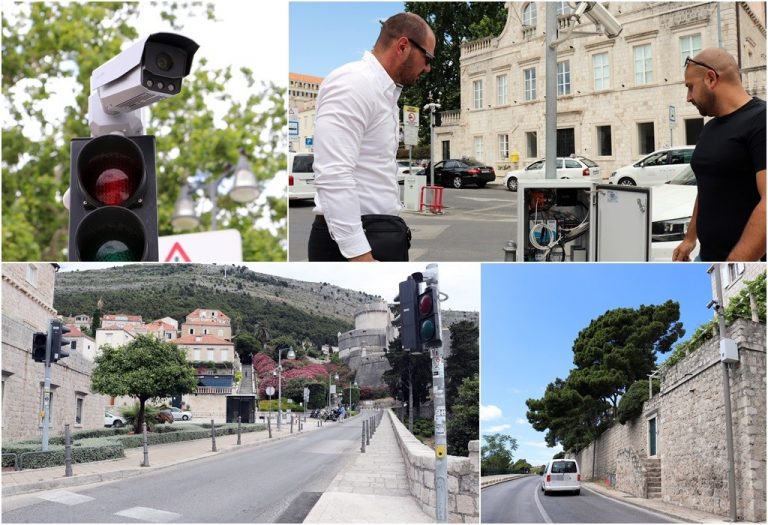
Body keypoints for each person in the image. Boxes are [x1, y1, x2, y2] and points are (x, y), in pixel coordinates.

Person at [308, 13, 436, 261]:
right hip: (355, 242)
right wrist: (360, 256)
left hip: (377, 233)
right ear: (403, 46)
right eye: (427, 58)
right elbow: (333, 173)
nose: (428, 67)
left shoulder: (384, 93)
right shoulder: (355, 83)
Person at [673, 48, 765, 262]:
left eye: (690, 87)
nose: (688, 98)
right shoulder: (710, 128)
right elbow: (707, 186)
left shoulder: (761, 120)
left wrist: (733, 265)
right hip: (706, 256)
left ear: (711, 78)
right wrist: (690, 238)